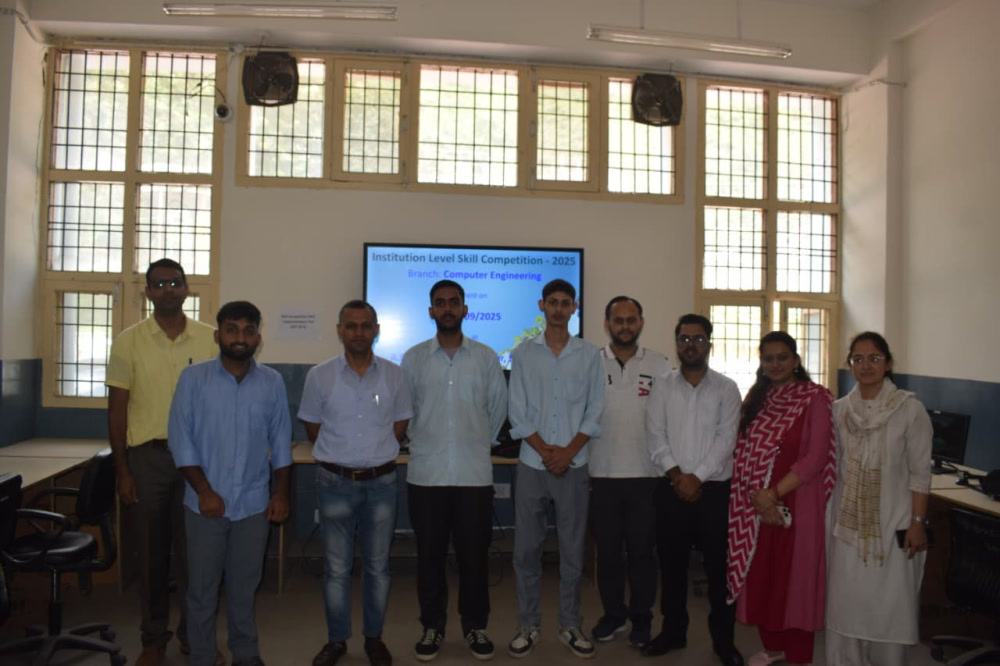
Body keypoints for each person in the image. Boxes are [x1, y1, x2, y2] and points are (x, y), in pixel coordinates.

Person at [105, 258, 217, 666]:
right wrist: (122, 469)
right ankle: (153, 640)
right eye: (160, 284)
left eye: (175, 283)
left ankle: (194, 635)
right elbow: (117, 409)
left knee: (196, 556)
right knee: (151, 555)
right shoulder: (128, 341)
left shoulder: (210, 339)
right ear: (149, 292)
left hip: (199, 462)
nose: (168, 290)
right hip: (148, 460)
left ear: (186, 288)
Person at [168, 301, 292, 666]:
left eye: (248, 331)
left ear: (258, 338)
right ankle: (202, 657)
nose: (240, 337)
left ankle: (246, 654)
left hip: (253, 504)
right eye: (232, 329)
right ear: (217, 335)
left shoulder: (272, 382)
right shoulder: (193, 379)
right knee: (202, 590)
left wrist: (281, 494)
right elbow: (180, 440)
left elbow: (281, 442)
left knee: (245, 587)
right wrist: (204, 491)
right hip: (204, 505)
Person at [299, 300, 413, 666]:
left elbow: (400, 425)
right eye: (351, 326)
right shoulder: (319, 376)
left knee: (378, 567)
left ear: (376, 330)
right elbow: (313, 427)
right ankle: (337, 640)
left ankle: (374, 639)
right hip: (334, 481)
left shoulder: (396, 375)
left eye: (366, 326)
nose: (359, 332)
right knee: (336, 568)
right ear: (340, 330)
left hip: (382, 483)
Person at [402, 279, 508, 662]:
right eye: (440, 302)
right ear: (431, 310)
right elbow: (406, 411)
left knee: (474, 559)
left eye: (454, 302)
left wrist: (477, 442)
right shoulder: (413, 359)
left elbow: (497, 411)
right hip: (426, 476)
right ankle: (432, 626)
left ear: (465, 309)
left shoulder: (486, 358)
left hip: (472, 476)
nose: (447, 308)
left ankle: (475, 626)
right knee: (429, 557)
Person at [507, 279, 604, 660]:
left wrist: (568, 452)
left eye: (566, 303)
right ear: (542, 306)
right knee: (526, 551)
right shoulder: (523, 353)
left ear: (574, 307)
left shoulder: (589, 354)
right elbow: (517, 410)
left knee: (572, 552)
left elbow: (595, 408)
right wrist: (548, 452)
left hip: (574, 465)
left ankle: (570, 625)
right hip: (533, 464)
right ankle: (528, 626)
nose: (559, 309)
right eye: (553, 302)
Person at [725, 331, 835, 666]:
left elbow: (816, 456)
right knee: (763, 576)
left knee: (797, 580)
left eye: (782, 357)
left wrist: (773, 495)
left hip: (799, 501)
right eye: (768, 358)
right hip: (755, 507)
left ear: (796, 360)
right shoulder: (757, 399)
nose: (775, 364)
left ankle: (799, 654)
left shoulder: (815, 398)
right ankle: (773, 646)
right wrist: (760, 500)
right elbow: (742, 450)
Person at [825, 332, 932, 666]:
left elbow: (920, 474)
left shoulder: (910, 410)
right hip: (847, 527)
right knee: (846, 605)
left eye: (874, 358)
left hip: (893, 523)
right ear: (850, 365)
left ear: (888, 363)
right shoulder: (839, 411)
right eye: (858, 359)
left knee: (890, 606)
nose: (866, 365)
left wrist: (917, 523)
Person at [645, 314, 743, 666]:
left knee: (719, 571)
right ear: (676, 344)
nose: (691, 345)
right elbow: (655, 434)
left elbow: (726, 440)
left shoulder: (727, 388)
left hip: (714, 493)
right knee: (671, 568)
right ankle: (673, 632)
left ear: (709, 344)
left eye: (698, 339)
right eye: (685, 339)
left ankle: (724, 641)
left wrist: (696, 478)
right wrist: (678, 477)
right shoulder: (662, 385)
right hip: (670, 490)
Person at [586, 296, 667, 649]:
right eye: (618, 320)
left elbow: (668, 417)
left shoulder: (660, 364)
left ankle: (641, 618)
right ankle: (613, 615)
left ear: (640, 323)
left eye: (631, 319)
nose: (624, 326)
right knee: (607, 555)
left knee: (642, 554)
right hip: (601, 474)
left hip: (646, 476)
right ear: (607, 324)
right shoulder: (590, 362)